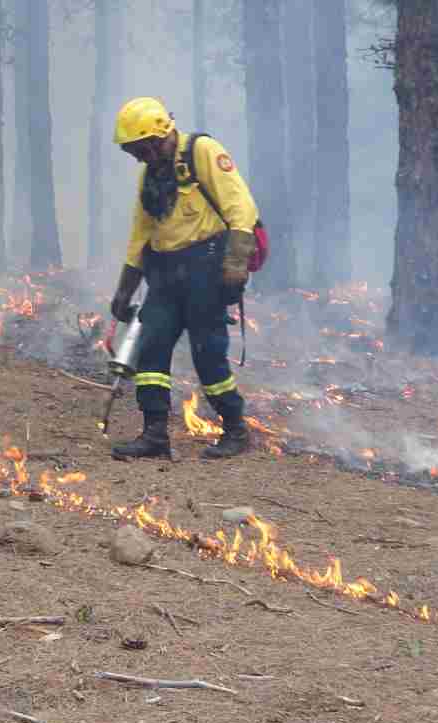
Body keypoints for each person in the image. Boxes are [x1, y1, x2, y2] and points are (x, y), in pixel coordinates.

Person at [108, 97, 259, 460]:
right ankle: (154, 434)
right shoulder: (150, 173)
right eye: (133, 152)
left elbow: (242, 210)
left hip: (206, 269)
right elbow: (140, 236)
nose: (138, 158)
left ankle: (235, 429)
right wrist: (124, 291)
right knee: (151, 350)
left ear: (160, 136)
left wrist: (234, 270)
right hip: (164, 274)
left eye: (141, 149)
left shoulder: (202, 152)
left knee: (208, 354)